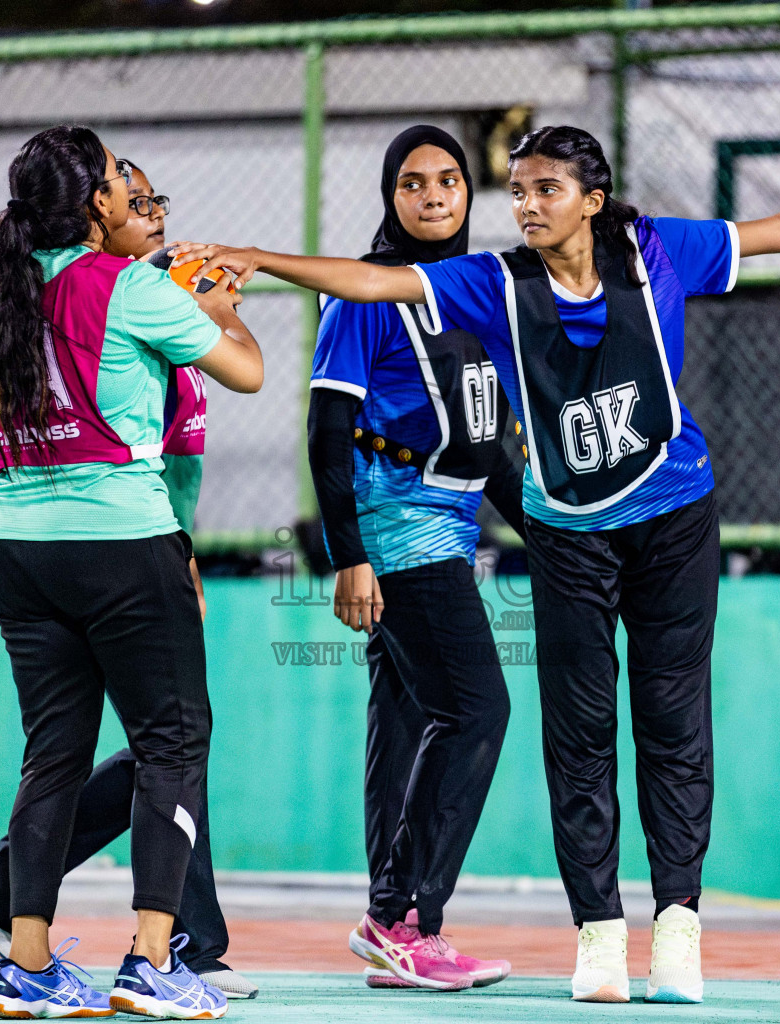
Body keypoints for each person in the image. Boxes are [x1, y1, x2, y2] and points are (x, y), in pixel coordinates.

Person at [171, 124, 780, 1004]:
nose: (526, 205)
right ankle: (590, 934)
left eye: (545, 190)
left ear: (591, 197)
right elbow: (371, 281)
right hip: (558, 533)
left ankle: (677, 927)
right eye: (518, 191)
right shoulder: (491, 284)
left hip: (672, 516)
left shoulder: (656, 248)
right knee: (567, 734)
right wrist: (258, 258)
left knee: (672, 724)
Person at [0, 124, 262, 1021]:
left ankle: (27, 963)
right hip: (122, 541)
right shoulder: (131, 286)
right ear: (95, 200)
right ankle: (152, 958)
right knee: (173, 741)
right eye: (115, 183)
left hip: (15, 545)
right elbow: (241, 371)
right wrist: (217, 302)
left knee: (52, 754)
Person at [308, 125, 525, 992]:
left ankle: (394, 924)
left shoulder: (478, 292)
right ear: (389, 197)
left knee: (405, 724)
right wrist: (347, 557)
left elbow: (491, 449)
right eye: (412, 183)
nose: (433, 196)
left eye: (448, 180)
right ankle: (404, 917)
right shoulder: (366, 295)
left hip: (452, 527)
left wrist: (554, 541)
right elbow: (326, 433)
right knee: (477, 709)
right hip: (400, 536)